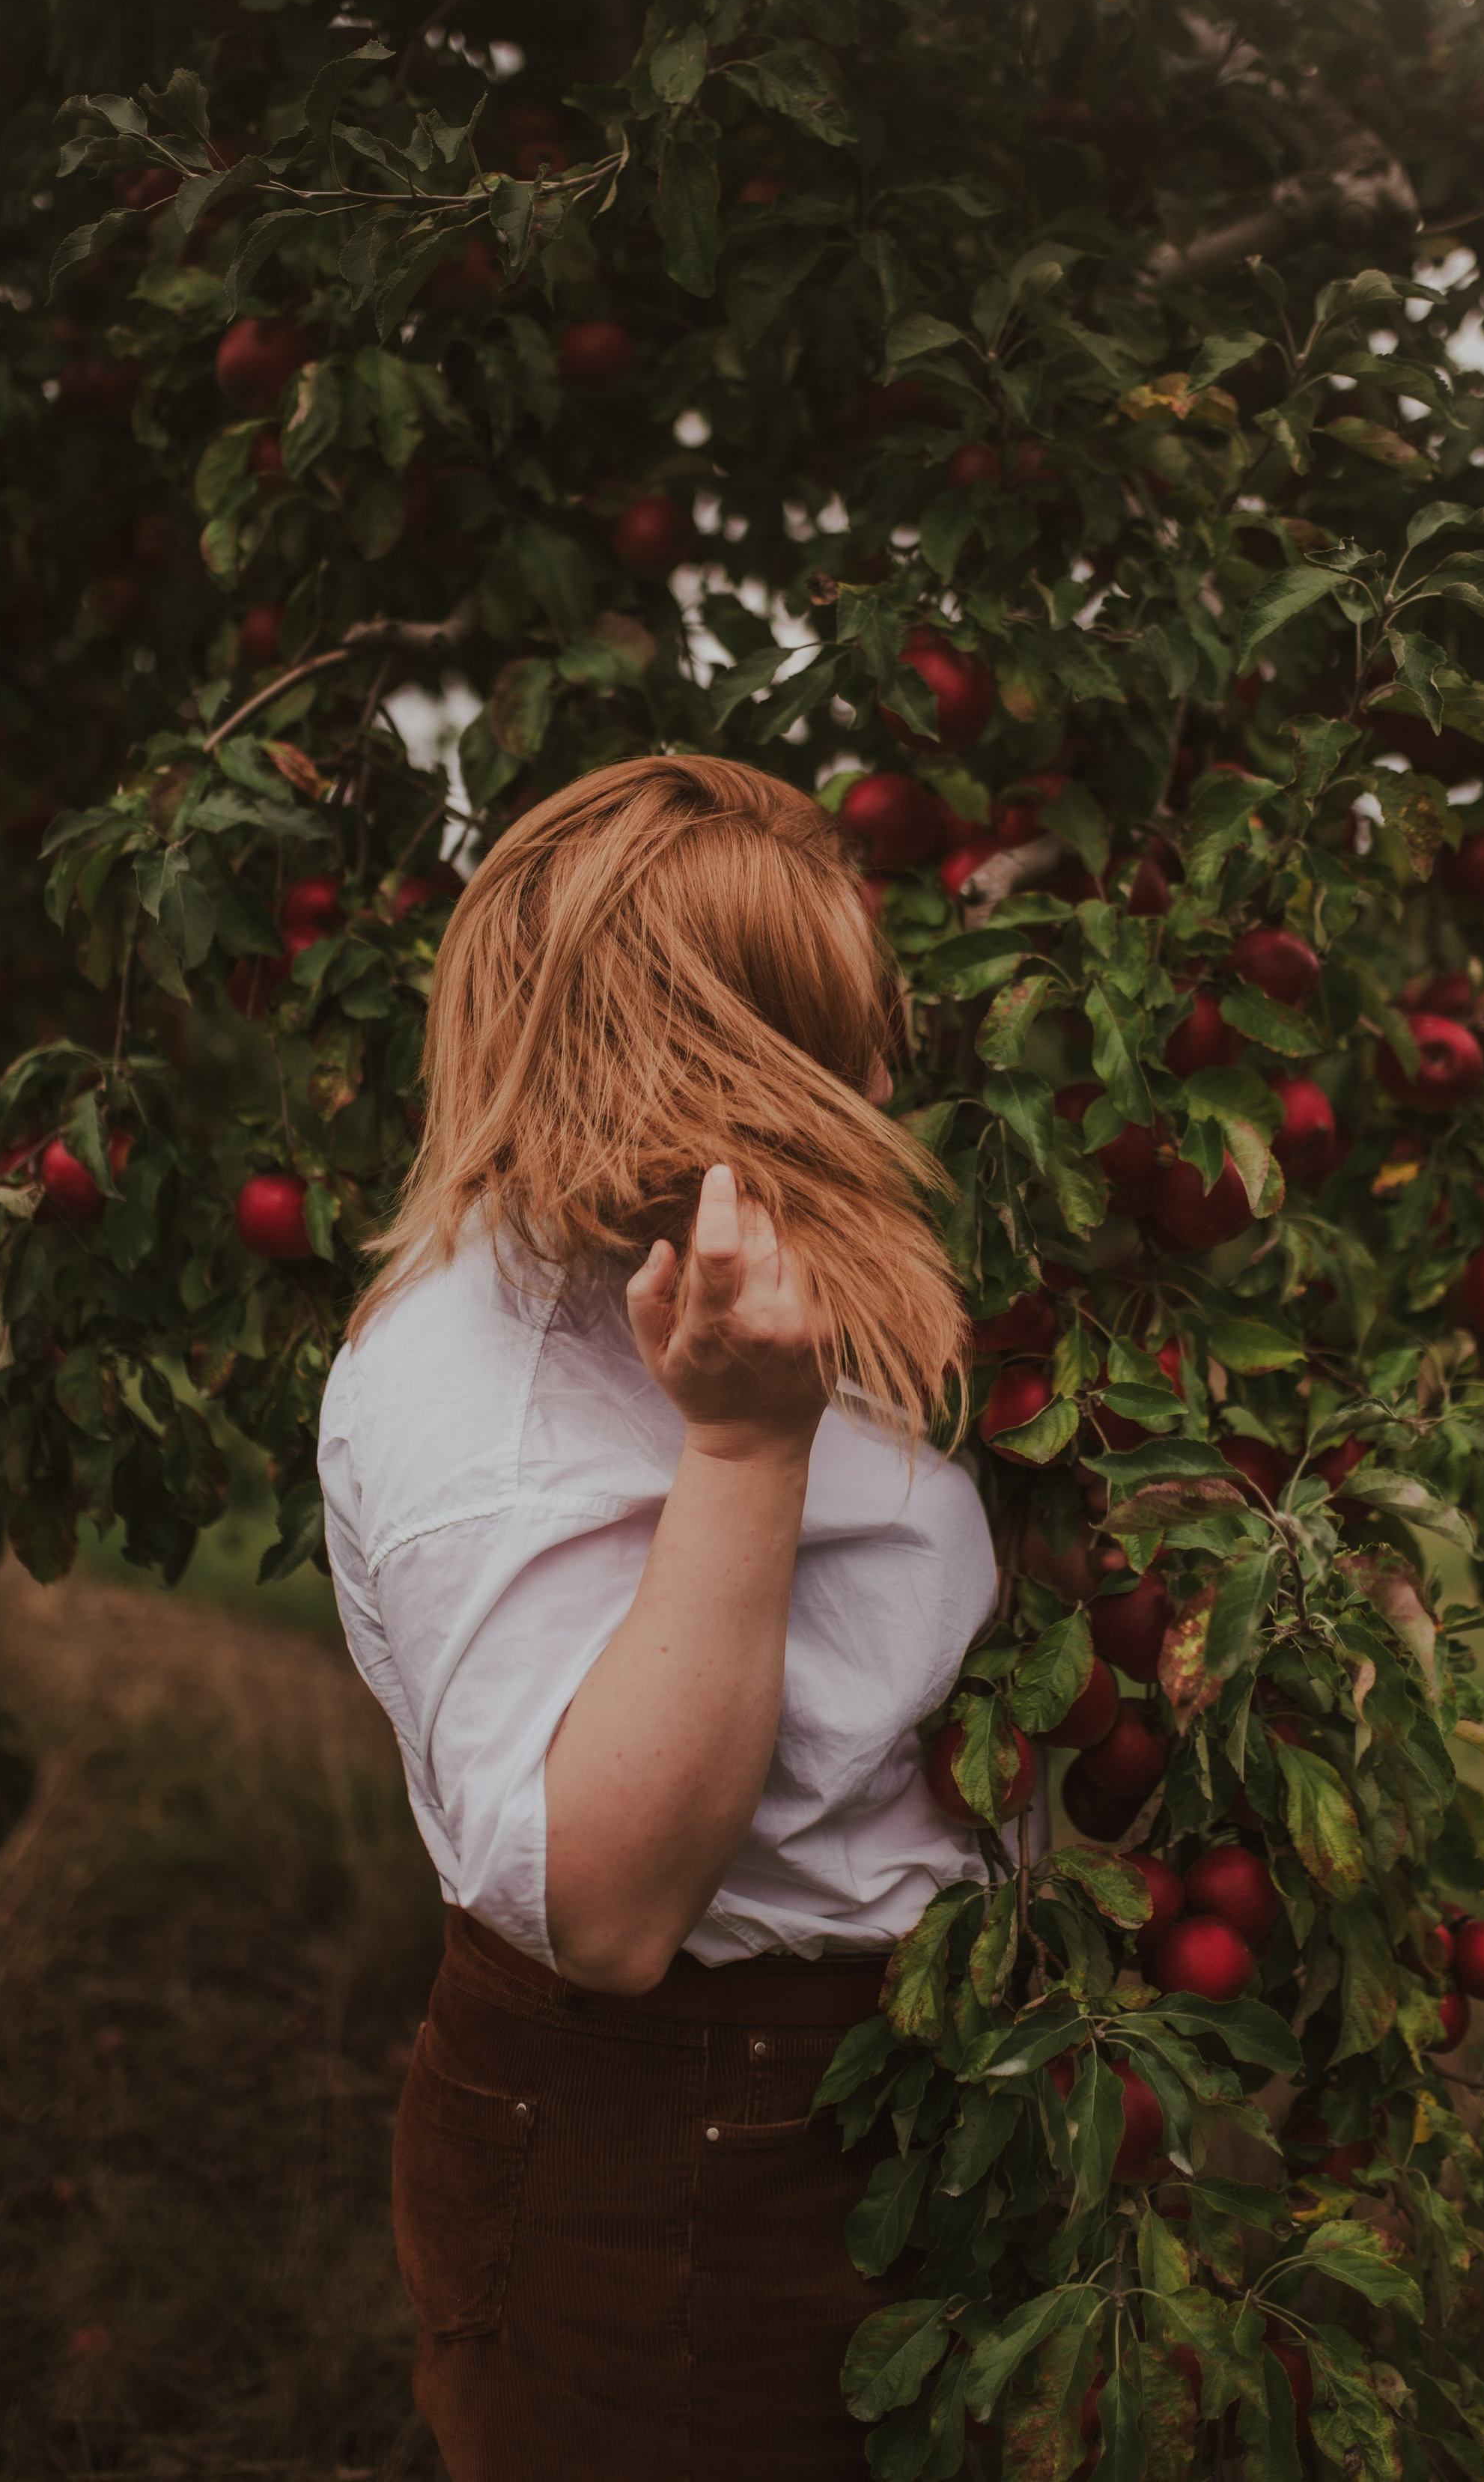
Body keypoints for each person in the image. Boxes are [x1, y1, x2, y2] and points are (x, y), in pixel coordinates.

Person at [317, 753, 998, 2481]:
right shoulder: (502, 1419)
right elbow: (609, 1910)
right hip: (692, 2125)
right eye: (833, 1029)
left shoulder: (735, 1267)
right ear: (726, 1057)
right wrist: (743, 1445)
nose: (877, 1068)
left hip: (859, 2088)